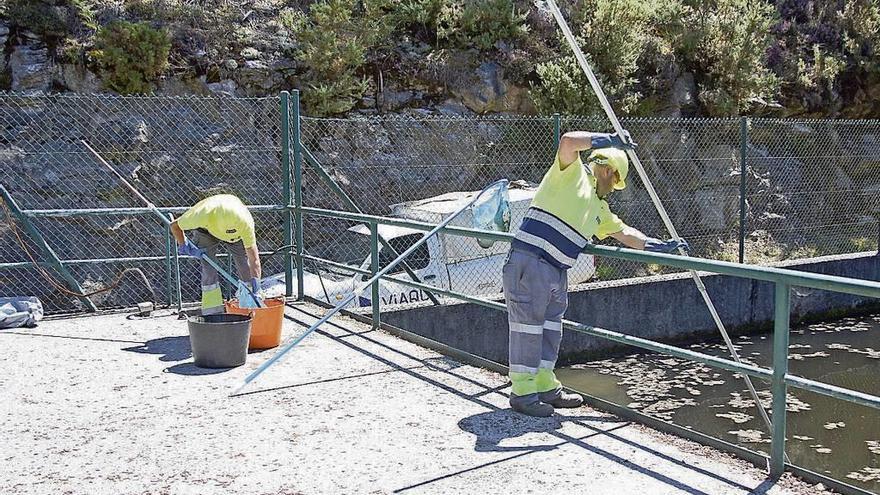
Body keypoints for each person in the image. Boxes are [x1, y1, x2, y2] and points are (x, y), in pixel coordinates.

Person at [505, 130, 689, 417]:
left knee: (551, 330)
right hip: (531, 262)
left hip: (556, 269)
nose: (614, 187)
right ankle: (523, 393)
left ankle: (544, 386)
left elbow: (624, 233)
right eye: (615, 180)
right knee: (528, 329)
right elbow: (568, 141)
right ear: (606, 169)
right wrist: (609, 138)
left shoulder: (599, 208)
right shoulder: (570, 174)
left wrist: (657, 246)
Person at [170, 194, 262, 315]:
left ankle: (249, 307)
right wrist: (183, 244)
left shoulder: (246, 223)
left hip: (236, 236)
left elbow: (253, 259)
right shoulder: (201, 213)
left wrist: (256, 282)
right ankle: (212, 312)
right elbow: (175, 226)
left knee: (245, 267)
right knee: (208, 267)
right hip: (206, 231)